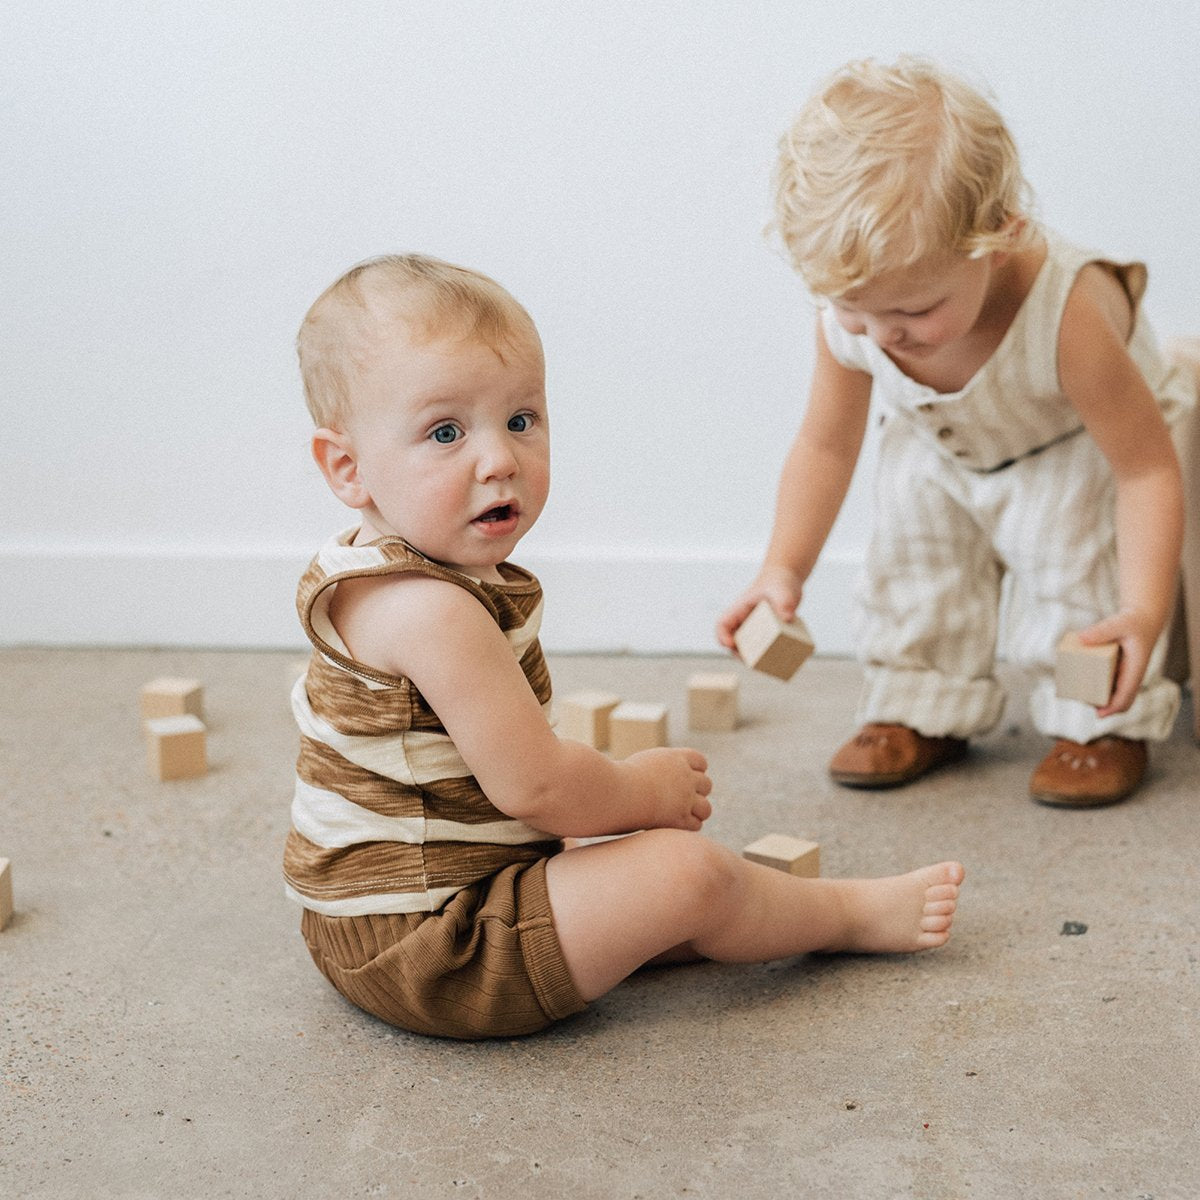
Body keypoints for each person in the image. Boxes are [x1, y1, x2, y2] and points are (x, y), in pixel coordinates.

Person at [285, 252, 965, 1040]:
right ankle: (845, 915)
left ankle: (724, 913)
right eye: (445, 432)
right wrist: (640, 793)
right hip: (439, 950)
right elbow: (534, 787)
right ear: (347, 467)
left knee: (640, 881)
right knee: (689, 870)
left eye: (520, 420)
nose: (499, 458)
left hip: (373, 920)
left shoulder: (369, 567)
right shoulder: (430, 609)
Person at [718, 57, 1192, 808]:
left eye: (911, 315)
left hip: (1075, 444)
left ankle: (1099, 720)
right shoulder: (862, 319)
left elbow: (1145, 471)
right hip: (941, 442)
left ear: (999, 235)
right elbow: (825, 445)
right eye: (856, 313)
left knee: (1076, 571)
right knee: (913, 568)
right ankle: (921, 702)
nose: (882, 337)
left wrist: (1140, 609)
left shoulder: (1066, 316)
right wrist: (783, 568)